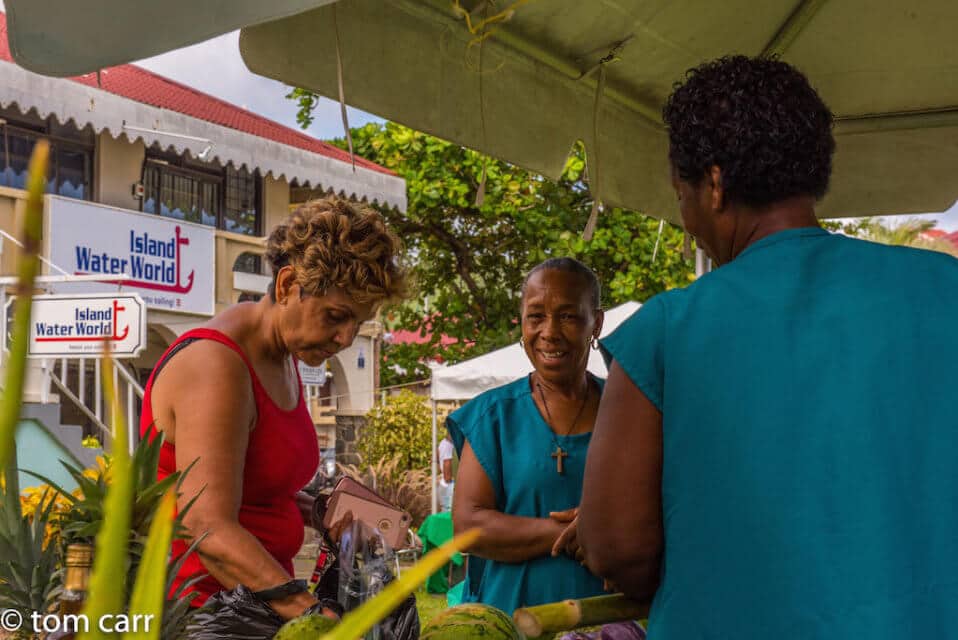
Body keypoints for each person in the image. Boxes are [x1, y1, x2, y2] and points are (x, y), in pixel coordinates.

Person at [574, 55, 958, 638]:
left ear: (715, 184)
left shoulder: (667, 329)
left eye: (682, 194)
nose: (686, 218)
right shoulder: (943, 288)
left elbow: (617, 549)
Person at [139, 197, 407, 623]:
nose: (344, 338)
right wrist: (312, 613)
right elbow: (205, 525)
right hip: (198, 614)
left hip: (254, 610)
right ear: (286, 286)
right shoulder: (217, 364)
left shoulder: (283, 356)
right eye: (336, 316)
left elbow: (253, 490)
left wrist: (322, 510)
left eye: (357, 323)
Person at [448, 257, 607, 614]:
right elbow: (468, 524)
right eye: (536, 316)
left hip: (609, 620)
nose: (549, 331)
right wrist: (570, 534)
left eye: (568, 316)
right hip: (511, 619)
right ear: (521, 322)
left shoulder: (626, 411)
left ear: (595, 323)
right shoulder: (492, 416)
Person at [437, 433, 455, 512]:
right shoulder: (449, 446)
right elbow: (447, 475)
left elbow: (436, 460)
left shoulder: (442, 443)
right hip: (449, 485)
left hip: (444, 483)